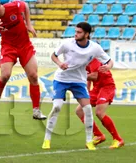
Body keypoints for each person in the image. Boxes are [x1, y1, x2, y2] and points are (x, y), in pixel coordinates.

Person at [42, 22, 114, 151]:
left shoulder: (94, 48)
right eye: (75, 31)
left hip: (79, 81)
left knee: (87, 109)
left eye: (79, 32)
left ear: (86, 34)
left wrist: (108, 66)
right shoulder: (67, 43)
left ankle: (89, 142)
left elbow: (109, 61)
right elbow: (54, 55)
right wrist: (59, 63)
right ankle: (47, 139)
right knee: (57, 107)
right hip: (61, 79)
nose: (76, 34)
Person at [0, 0, 47, 120]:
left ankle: (36, 110)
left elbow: (26, 6)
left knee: (33, 76)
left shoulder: (13, 6)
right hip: (8, 47)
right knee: (5, 75)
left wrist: (29, 24)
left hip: (25, 45)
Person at [75, 58, 124, 149]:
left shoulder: (93, 58)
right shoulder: (83, 60)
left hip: (107, 86)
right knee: (79, 111)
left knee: (99, 113)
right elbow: (89, 79)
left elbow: (94, 76)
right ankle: (98, 135)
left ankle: (118, 139)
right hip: (97, 88)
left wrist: (79, 77)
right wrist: (87, 92)